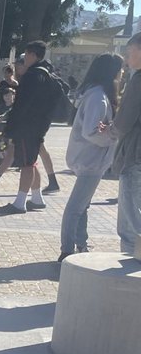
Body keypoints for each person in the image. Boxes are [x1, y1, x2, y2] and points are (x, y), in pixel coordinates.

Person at [60, 53, 123, 262]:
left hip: (89, 159)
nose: (122, 74)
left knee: (81, 206)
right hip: (91, 160)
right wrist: (112, 137)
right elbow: (91, 131)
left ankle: (80, 243)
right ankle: (68, 250)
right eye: (120, 70)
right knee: (76, 208)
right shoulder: (98, 96)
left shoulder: (95, 94)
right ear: (112, 72)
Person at [0, 41, 63, 214]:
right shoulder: (46, 74)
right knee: (31, 161)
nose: (24, 58)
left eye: (26, 54)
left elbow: (22, 105)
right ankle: (36, 198)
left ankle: (20, 203)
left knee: (26, 163)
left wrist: (11, 127)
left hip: (27, 126)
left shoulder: (32, 76)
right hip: (39, 125)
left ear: (33, 54)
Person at [113, 33, 141, 258]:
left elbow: (124, 121)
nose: (127, 57)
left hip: (135, 155)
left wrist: (111, 130)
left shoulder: (138, 80)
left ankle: (130, 278)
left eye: (130, 51)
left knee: (130, 226)